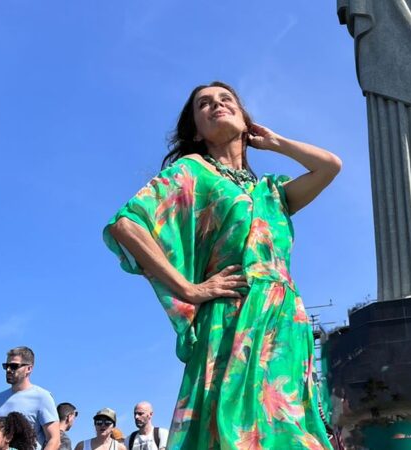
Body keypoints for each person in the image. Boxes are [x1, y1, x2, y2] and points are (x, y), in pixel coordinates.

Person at [104, 81, 341, 449]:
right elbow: (126, 225)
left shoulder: (271, 191)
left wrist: (275, 142)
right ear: (196, 131)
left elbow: (329, 166)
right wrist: (188, 289)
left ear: (245, 118)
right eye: (204, 104)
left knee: (290, 430)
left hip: (283, 321)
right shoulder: (193, 172)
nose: (217, 106)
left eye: (226, 100)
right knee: (230, 429)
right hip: (232, 316)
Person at [0, 347, 60, 450]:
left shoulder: (42, 397)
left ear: (29, 369)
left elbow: (54, 439)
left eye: (14, 366)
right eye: (6, 366)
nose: (8, 370)